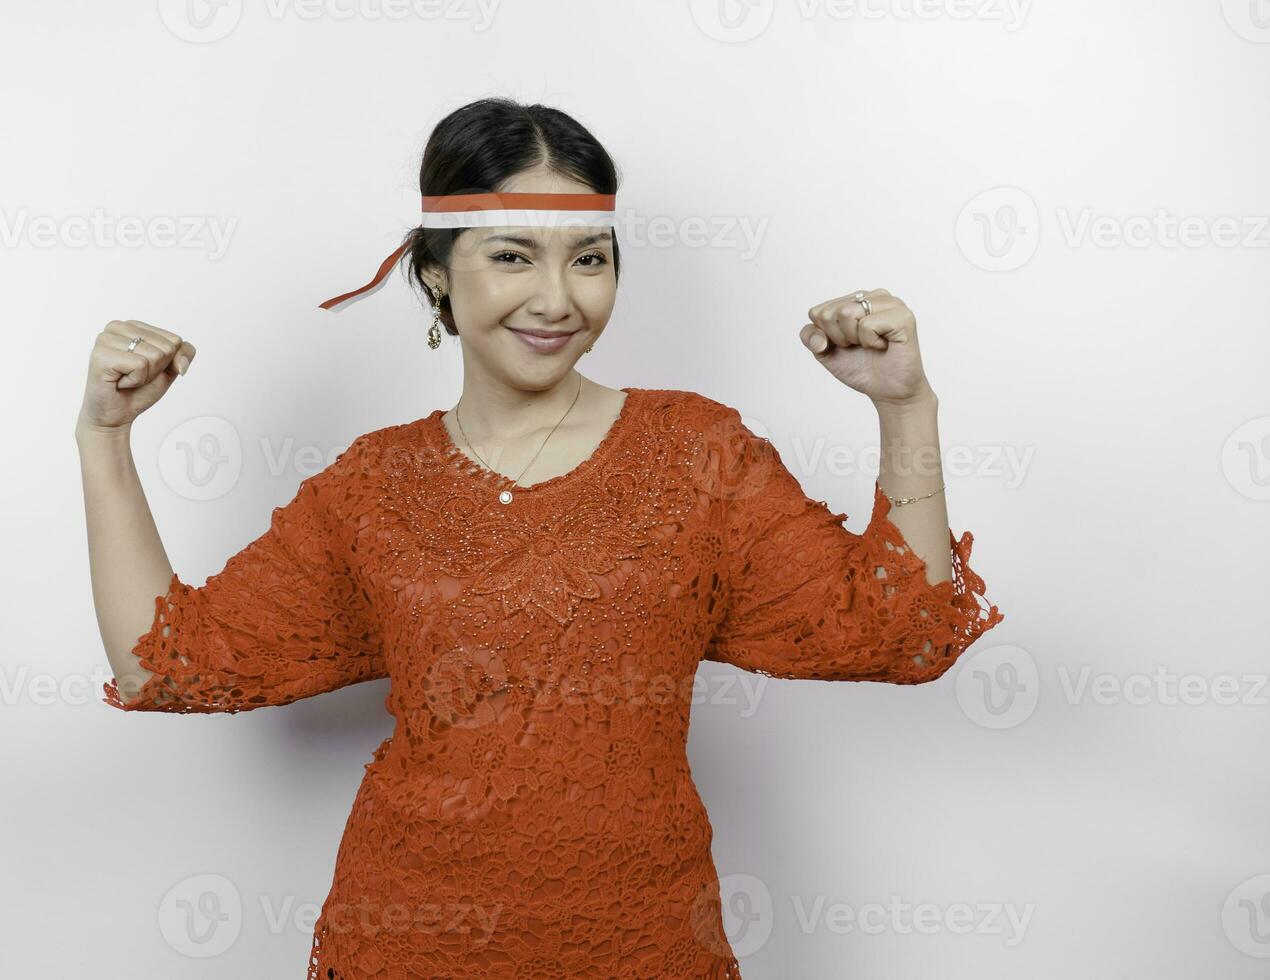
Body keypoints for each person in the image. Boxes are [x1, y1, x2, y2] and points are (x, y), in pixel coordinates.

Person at [75, 97, 1003, 979]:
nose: (558, 299)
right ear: (435, 270)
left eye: (590, 260)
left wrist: (905, 407)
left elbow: (905, 635)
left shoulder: (700, 453)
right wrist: (105, 441)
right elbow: (168, 667)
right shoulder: (373, 486)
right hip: (409, 943)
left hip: (645, 944)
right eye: (514, 257)